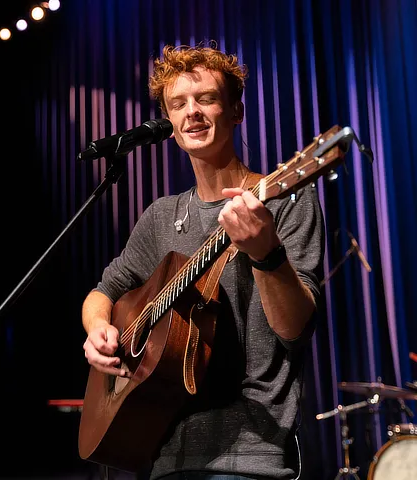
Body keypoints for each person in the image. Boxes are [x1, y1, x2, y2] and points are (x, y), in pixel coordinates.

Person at [81, 43, 325, 480]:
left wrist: (265, 255)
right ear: (170, 124)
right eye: (179, 104)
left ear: (236, 111)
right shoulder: (160, 216)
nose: (192, 112)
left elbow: (295, 328)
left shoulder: (286, 199)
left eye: (206, 98)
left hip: (251, 456)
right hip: (160, 452)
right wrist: (98, 329)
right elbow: (103, 292)